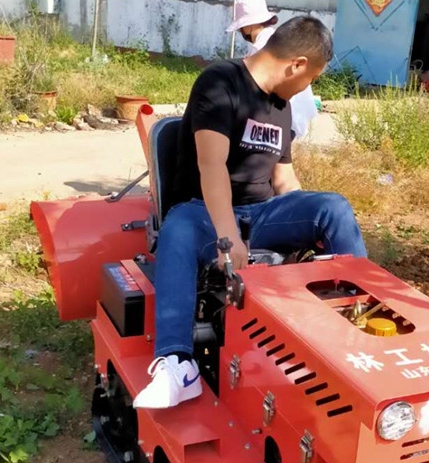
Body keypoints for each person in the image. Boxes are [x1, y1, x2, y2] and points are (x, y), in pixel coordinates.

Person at [133, 16, 367, 410]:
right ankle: (177, 363)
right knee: (178, 231)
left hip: (263, 212)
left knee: (333, 207)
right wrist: (228, 236)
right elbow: (212, 167)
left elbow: (284, 180)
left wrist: (307, 219)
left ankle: (358, 322)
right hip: (204, 211)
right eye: (313, 78)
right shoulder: (220, 83)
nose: (310, 87)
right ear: (297, 65)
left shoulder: (283, 106)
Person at [227, 0, 318, 139]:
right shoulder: (275, 39)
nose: (241, 31)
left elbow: (256, 90)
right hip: (291, 117)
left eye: (241, 27)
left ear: (249, 25)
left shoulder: (262, 49)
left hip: (282, 119)